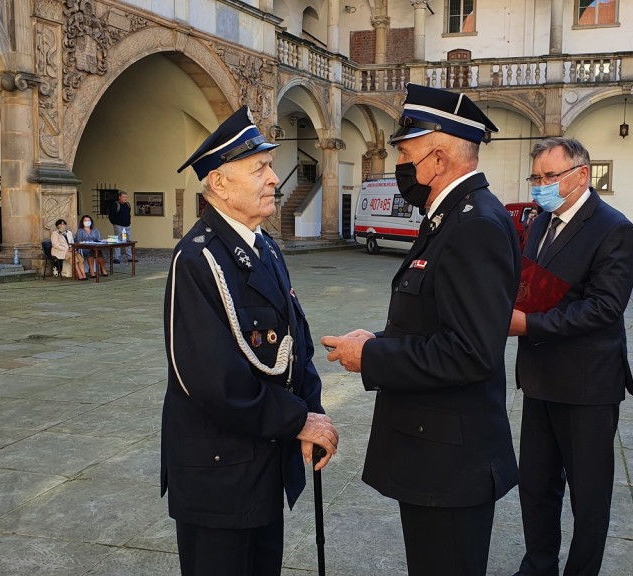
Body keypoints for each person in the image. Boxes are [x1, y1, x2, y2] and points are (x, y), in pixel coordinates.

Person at [322, 83, 521, 576]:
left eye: (407, 152)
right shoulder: (450, 217)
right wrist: (379, 341)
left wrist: (370, 359)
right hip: (436, 452)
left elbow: (471, 351)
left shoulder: (474, 224)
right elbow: (434, 320)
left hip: (452, 461)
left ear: (437, 157)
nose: (402, 165)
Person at [161, 105, 338, 576]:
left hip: (263, 459)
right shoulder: (197, 260)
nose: (273, 178)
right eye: (259, 167)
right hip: (217, 474)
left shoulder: (265, 246)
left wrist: (312, 410)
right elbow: (213, 380)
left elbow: (294, 342)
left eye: (270, 166)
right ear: (219, 184)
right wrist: (299, 419)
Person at [508, 137, 633, 576]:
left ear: (582, 175)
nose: (541, 186)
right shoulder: (541, 222)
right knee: (537, 487)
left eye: (550, 177)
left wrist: (529, 324)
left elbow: (605, 308)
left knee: (589, 494)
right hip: (540, 378)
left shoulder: (613, 228)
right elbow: (532, 287)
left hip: (587, 385)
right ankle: (538, 565)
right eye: (536, 177)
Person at [108, 191, 135, 263]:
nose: (125, 198)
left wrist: (129, 223)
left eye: (126, 197)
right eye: (124, 197)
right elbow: (111, 215)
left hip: (127, 225)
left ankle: (130, 257)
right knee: (118, 241)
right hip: (118, 225)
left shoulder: (128, 205)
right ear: (119, 197)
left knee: (128, 241)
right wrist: (115, 223)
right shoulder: (116, 204)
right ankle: (116, 257)